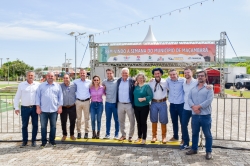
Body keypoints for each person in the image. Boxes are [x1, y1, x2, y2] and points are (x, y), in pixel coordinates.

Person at [186, 70, 214, 160]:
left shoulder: (209, 88)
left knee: (208, 134)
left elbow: (209, 100)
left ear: (206, 77)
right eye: (199, 76)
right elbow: (189, 99)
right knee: (194, 133)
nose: (200, 77)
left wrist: (198, 107)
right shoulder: (193, 89)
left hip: (205, 115)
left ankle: (208, 151)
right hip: (195, 115)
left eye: (202, 76)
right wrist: (193, 107)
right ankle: (194, 149)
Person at [36, 72, 63, 148]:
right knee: (43, 126)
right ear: (46, 76)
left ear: (54, 77)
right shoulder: (41, 86)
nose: (50, 77)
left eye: (52, 76)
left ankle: (52, 140)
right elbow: (37, 97)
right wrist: (38, 107)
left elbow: (60, 97)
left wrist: (60, 107)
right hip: (43, 110)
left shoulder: (57, 86)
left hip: (54, 110)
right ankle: (43, 142)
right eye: (49, 76)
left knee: (53, 126)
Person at [14, 71, 40, 147]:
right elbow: (17, 97)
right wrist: (16, 107)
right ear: (26, 76)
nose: (30, 76)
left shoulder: (38, 85)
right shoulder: (21, 85)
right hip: (24, 108)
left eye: (32, 75)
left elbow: (40, 97)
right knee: (24, 125)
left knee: (35, 125)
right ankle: (24, 141)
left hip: (34, 108)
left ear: (34, 76)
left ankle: (34, 140)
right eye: (29, 75)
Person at [148, 68, 168, 144]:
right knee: (154, 119)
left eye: (158, 73)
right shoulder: (151, 82)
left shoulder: (166, 82)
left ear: (161, 74)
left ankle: (164, 136)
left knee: (163, 119)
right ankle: (154, 136)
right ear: (153, 74)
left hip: (163, 103)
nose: (157, 75)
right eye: (155, 73)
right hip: (154, 103)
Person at [133, 73, 153, 144]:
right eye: (139, 78)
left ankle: (144, 138)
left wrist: (144, 98)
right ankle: (139, 137)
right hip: (136, 107)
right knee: (138, 123)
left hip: (144, 107)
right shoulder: (135, 86)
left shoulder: (146, 86)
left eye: (141, 78)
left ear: (144, 79)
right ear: (137, 79)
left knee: (143, 122)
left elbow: (151, 96)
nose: (140, 79)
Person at [166, 69, 185, 143]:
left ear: (177, 74)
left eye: (174, 74)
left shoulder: (183, 80)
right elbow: (160, 80)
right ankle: (175, 136)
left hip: (181, 104)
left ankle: (184, 138)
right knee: (174, 121)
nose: (172, 76)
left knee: (183, 122)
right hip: (172, 105)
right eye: (171, 75)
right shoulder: (168, 80)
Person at [117, 68, 135, 142]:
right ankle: (123, 135)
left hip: (129, 104)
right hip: (120, 104)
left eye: (126, 73)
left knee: (132, 120)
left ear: (128, 73)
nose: (124, 74)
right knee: (121, 121)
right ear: (121, 74)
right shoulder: (118, 81)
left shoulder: (132, 81)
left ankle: (130, 136)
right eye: (123, 73)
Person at [73, 69, 91, 139]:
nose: (82, 74)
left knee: (86, 118)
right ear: (79, 74)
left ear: (86, 74)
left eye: (84, 73)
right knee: (78, 118)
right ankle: (78, 132)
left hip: (86, 101)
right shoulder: (75, 82)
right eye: (81, 73)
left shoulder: (90, 82)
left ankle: (86, 132)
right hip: (78, 102)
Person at [102, 69, 119, 139]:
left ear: (113, 73)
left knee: (116, 119)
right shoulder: (104, 82)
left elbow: (128, 79)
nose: (109, 75)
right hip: (108, 103)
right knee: (108, 119)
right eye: (107, 73)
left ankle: (116, 135)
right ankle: (107, 134)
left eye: (110, 73)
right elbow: (98, 86)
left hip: (115, 104)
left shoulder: (118, 80)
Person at [60, 74, 77, 141]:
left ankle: (72, 135)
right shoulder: (60, 86)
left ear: (69, 78)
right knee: (63, 122)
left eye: (67, 78)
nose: (65, 79)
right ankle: (64, 135)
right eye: (64, 78)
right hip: (63, 107)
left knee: (72, 121)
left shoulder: (74, 86)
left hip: (72, 106)